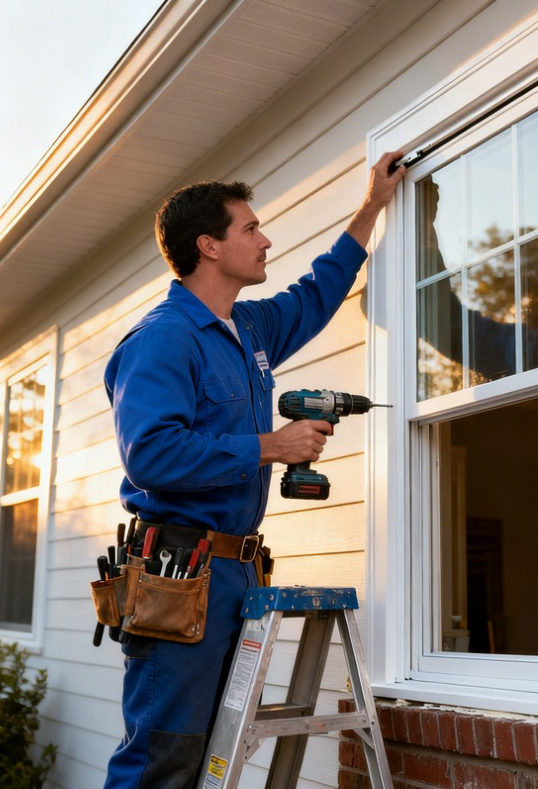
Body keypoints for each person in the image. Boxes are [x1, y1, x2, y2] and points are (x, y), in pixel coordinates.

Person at [102, 150, 405, 788]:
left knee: (214, 755)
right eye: (250, 228)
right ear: (208, 246)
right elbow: (152, 454)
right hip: (180, 576)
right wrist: (271, 446)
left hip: (237, 573)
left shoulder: (249, 327)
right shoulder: (163, 340)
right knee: (164, 760)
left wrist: (372, 206)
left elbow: (319, 292)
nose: (266, 239)